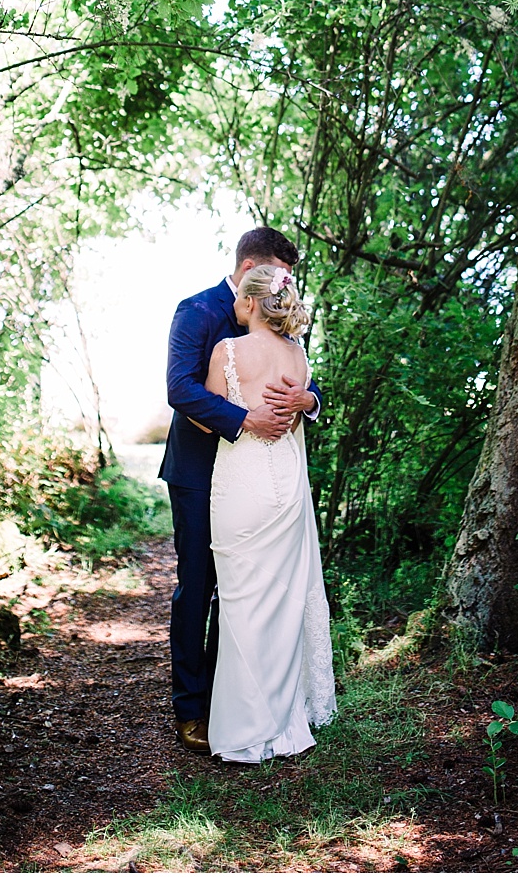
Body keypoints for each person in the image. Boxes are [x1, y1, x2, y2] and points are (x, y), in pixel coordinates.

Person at [160, 228, 322, 754]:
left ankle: (236, 701)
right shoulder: (197, 310)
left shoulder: (278, 326)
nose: (283, 290)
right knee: (199, 585)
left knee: (247, 589)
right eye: (277, 276)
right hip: (198, 472)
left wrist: (306, 399)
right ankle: (191, 709)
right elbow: (179, 387)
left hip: (259, 475)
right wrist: (244, 417)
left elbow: (303, 379)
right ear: (251, 265)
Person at [201, 264, 336, 762]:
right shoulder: (298, 356)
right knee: (283, 600)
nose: (233, 302)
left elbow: (208, 417)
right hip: (289, 486)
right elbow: (303, 406)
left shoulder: (227, 351)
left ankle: (245, 729)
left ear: (252, 302)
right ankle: (284, 725)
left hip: (243, 482)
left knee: (241, 600)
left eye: (239, 295)